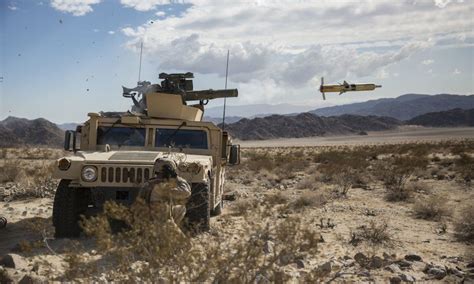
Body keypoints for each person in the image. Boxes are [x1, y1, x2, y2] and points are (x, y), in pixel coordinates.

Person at [138, 158, 191, 228]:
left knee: (181, 208)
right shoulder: (151, 183)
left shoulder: (151, 183)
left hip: (165, 212)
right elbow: (141, 200)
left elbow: (186, 192)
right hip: (154, 212)